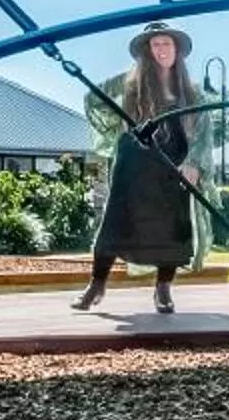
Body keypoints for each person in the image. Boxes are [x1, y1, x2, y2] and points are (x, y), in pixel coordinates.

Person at [75, 23, 208, 315]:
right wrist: (119, 125)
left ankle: (163, 289)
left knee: (172, 228)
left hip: (173, 163)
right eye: (155, 45)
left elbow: (204, 132)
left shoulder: (191, 92)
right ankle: (96, 284)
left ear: (177, 49)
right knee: (114, 223)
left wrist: (194, 163)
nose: (161, 50)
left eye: (166, 43)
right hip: (133, 162)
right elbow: (93, 99)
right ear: (147, 51)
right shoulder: (129, 84)